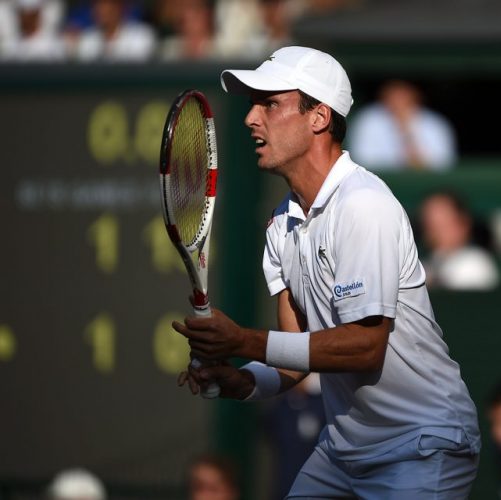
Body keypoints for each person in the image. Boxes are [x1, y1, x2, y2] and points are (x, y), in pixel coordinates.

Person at [173, 46, 480, 499]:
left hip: (422, 444)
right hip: (343, 452)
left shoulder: (363, 205)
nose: (251, 119)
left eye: (270, 104)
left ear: (318, 117)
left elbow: (364, 347)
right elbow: (295, 355)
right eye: (254, 106)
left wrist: (240, 342)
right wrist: (246, 381)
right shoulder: (280, 224)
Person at [347, 79, 457, 171]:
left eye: (404, 97)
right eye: (394, 97)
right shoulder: (369, 120)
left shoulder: (434, 123)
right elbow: (363, 160)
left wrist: (407, 133)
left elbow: (443, 164)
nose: (398, 102)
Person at [420, 191, 500, 290]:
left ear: (464, 223)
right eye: (430, 224)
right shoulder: (425, 264)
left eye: (444, 223)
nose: (435, 231)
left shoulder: (475, 262)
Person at [75, 0, 156, 62]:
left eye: (105, 4)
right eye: (96, 5)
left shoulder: (141, 35)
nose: (99, 10)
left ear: (119, 7)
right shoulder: (88, 37)